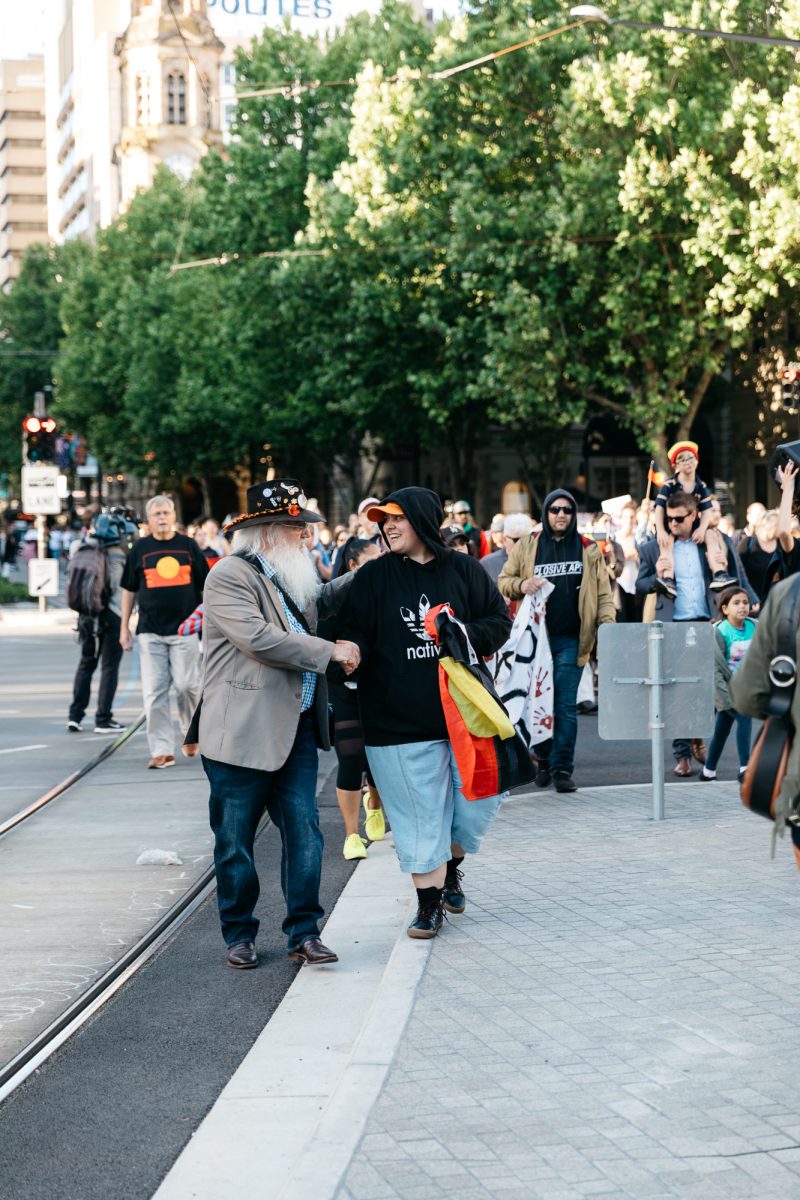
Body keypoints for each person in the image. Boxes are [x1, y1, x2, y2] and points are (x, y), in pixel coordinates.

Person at [193, 478, 359, 969]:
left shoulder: (290, 572)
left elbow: (317, 605)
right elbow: (260, 639)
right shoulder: (228, 575)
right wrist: (331, 653)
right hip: (240, 735)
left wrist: (373, 573)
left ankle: (303, 932)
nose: (304, 536)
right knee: (235, 843)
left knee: (306, 834)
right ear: (267, 532)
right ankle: (239, 934)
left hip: (298, 728)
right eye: (294, 527)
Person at [339, 487, 511, 939]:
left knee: (475, 809)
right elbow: (353, 629)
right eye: (383, 520)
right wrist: (351, 649)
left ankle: (451, 865)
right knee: (419, 817)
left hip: (466, 719)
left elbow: (499, 621)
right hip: (396, 723)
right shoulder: (373, 578)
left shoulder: (464, 569)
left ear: (422, 519)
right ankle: (427, 905)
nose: (388, 526)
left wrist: (459, 633)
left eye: (397, 518)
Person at [498, 489, 616, 792]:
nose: (561, 514)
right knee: (540, 703)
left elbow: (603, 595)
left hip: (571, 640)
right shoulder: (529, 546)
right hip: (536, 642)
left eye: (566, 510)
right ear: (546, 514)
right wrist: (523, 583)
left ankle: (563, 768)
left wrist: (608, 633)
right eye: (554, 509)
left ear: (573, 514)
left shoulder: (588, 548)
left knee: (563, 706)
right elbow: (504, 581)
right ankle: (545, 760)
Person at [636, 489, 748, 776]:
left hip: (708, 622)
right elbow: (640, 584)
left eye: (679, 519)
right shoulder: (654, 547)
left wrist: (748, 598)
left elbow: (735, 573)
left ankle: (696, 731)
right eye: (669, 519)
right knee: (678, 689)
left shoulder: (711, 542)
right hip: (673, 625)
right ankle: (682, 754)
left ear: (694, 515)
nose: (673, 524)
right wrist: (657, 579)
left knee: (708, 686)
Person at [119, 495, 209, 769]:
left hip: (185, 630)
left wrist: (211, 621)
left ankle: (190, 731)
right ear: (148, 520)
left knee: (187, 685)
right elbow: (128, 590)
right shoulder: (140, 549)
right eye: (156, 513)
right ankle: (161, 750)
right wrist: (124, 628)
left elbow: (207, 587)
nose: (161, 517)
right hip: (150, 631)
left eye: (166, 512)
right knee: (154, 692)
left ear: (173, 515)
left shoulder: (188, 546)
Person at [319, 536, 385, 860]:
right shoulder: (332, 600)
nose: (381, 564)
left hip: (375, 685)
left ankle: (374, 803)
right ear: (353, 566)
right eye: (372, 561)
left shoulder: (385, 594)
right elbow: (319, 642)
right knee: (351, 755)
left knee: (375, 756)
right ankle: (351, 834)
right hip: (340, 684)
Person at [67, 512, 133, 734]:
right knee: (109, 667)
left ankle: (75, 716)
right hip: (112, 616)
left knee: (86, 664)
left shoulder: (81, 547)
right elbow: (122, 590)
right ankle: (103, 718)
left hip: (87, 615)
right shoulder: (119, 555)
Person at [652, 442, 736, 598]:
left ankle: (719, 573)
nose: (688, 462)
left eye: (691, 458)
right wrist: (661, 530)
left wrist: (702, 528)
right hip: (671, 523)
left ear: (697, 461)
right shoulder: (669, 484)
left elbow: (707, 510)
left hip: (692, 523)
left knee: (711, 535)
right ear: (675, 465)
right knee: (667, 543)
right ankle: (668, 578)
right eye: (682, 459)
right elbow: (659, 508)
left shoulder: (700, 485)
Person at [700, 586, 755, 782]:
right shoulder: (720, 632)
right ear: (725, 609)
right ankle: (745, 767)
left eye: (745, 603)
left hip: (746, 688)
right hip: (726, 688)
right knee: (744, 717)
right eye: (736, 603)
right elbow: (714, 670)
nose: (742, 607)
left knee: (722, 729)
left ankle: (708, 771)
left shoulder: (754, 626)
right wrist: (724, 698)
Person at [737, 508, 780, 605]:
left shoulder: (781, 545)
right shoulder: (748, 543)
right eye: (775, 526)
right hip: (752, 602)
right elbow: (738, 572)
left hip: (776, 603)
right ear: (765, 525)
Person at [481, 513, 533, 586]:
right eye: (517, 540)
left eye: (527, 539)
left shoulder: (540, 559)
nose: (523, 544)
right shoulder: (487, 563)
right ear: (504, 539)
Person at [613, 502, 642, 623]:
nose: (629, 520)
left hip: (635, 586)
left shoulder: (638, 539)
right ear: (620, 519)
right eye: (626, 517)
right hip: (620, 585)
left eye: (631, 517)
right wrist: (625, 556)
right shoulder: (614, 539)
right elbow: (611, 563)